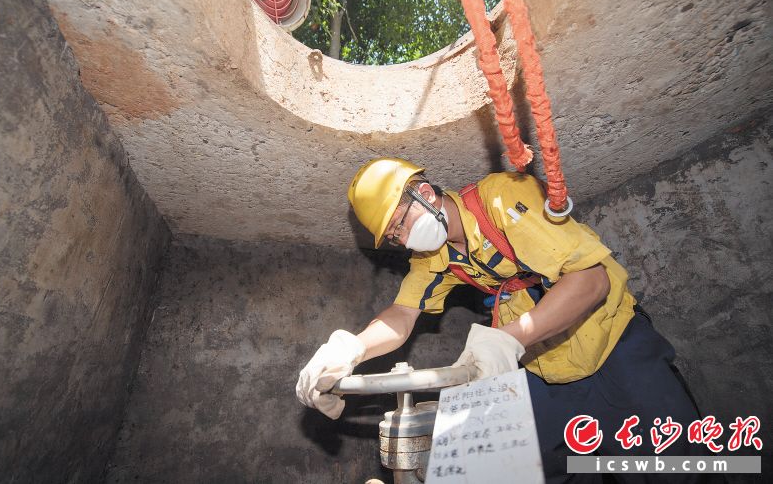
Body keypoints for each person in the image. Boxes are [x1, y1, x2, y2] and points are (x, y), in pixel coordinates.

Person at [296, 157, 708, 482]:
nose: (403, 241)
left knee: (675, 468)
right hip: (548, 371)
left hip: (616, 349)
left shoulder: (502, 197)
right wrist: (351, 349)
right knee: (515, 468)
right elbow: (403, 314)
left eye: (399, 225)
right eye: (393, 238)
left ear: (424, 193)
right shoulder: (433, 258)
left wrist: (508, 338)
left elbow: (591, 280)